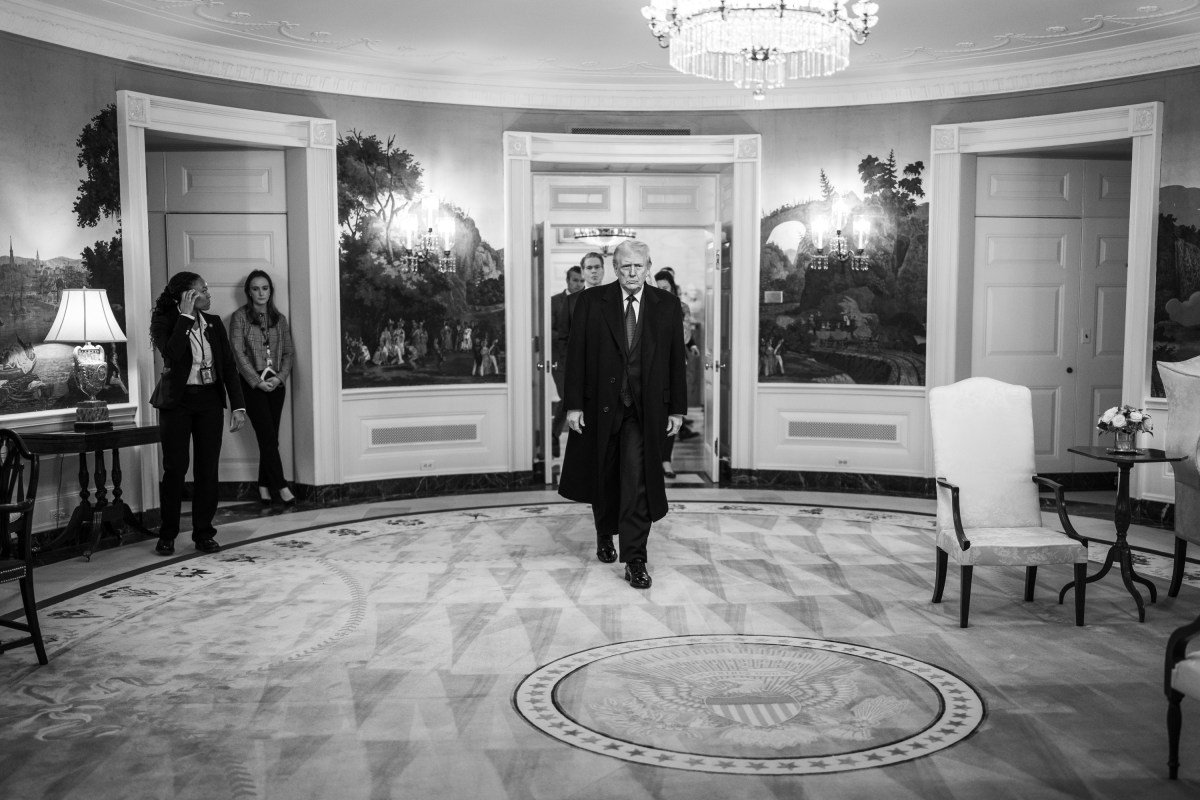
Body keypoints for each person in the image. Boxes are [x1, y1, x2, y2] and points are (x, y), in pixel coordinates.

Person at [559, 240, 687, 590]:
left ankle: (635, 558)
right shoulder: (591, 301)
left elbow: (676, 359)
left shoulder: (666, 305)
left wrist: (677, 408)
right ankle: (604, 531)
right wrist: (574, 405)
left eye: (638, 266)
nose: (632, 273)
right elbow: (576, 355)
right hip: (599, 406)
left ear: (648, 267)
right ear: (615, 268)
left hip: (643, 411)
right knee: (603, 473)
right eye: (625, 266)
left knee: (637, 480)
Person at [149, 271, 247, 555]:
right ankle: (167, 535)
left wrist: (238, 406)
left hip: (209, 402)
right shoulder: (164, 321)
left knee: (207, 469)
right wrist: (185, 316)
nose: (208, 293)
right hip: (177, 403)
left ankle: (204, 533)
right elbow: (172, 354)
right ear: (188, 295)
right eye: (202, 290)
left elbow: (228, 367)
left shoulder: (213, 323)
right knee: (175, 469)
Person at [230, 269, 296, 507]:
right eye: (256, 288)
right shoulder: (239, 317)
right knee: (267, 436)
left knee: (270, 438)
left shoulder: (280, 319)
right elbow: (237, 353)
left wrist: (280, 378)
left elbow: (288, 353)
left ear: (270, 291)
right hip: (252, 385)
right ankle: (281, 486)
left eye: (265, 288)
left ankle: (263, 484)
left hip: (276, 384)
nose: (261, 293)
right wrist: (257, 381)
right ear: (249, 292)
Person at [653, 269, 701, 478]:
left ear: (672, 288)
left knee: (672, 412)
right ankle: (651, 459)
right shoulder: (648, 307)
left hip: (675, 364)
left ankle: (666, 460)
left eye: (665, 287)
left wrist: (691, 345)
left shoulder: (681, 308)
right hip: (653, 366)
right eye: (658, 288)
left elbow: (685, 333)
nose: (662, 291)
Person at [549, 265, 585, 456]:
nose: (578, 284)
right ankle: (553, 435)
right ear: (567, 281)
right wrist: (572, 336)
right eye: (575, 280)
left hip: (584, 360)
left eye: (581, 281)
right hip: (559, 359)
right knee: (567, 397)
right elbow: (548, 330)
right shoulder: (555, 302)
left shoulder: (588, 300)